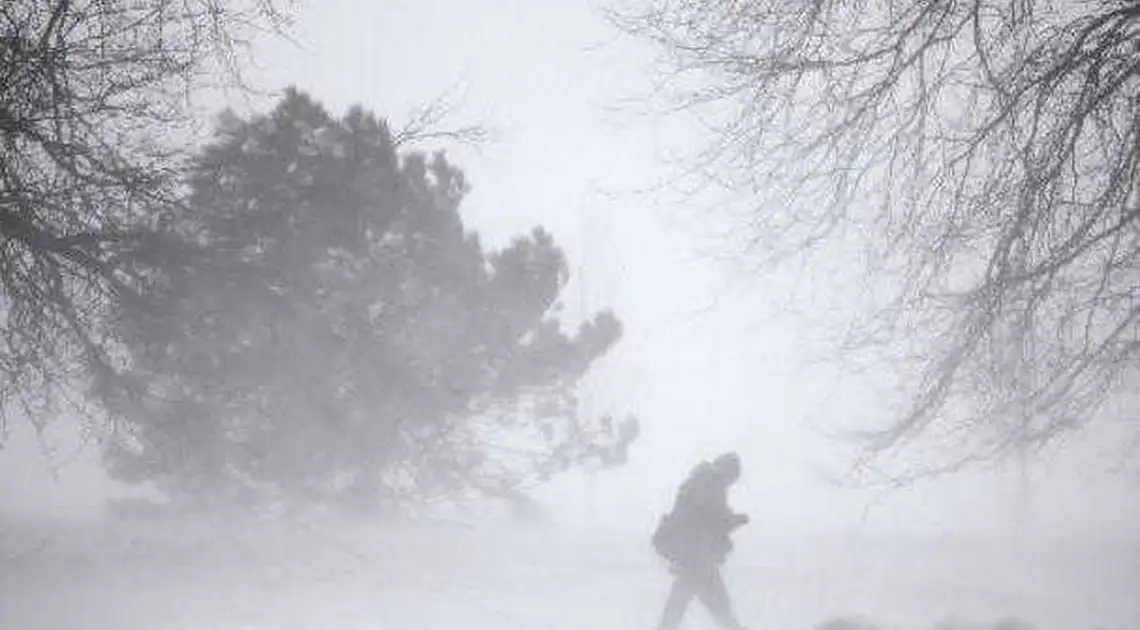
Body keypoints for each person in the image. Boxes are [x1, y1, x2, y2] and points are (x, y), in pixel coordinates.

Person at [652, 452, 749, 630]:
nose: (731, 484)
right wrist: (734, 520)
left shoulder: (698, 481)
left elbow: (698, 517)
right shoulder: (712, 483)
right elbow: (711, 521)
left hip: (691, 555)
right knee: (718, 608)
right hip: (698, 556)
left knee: (678, 607)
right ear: (729, 471)